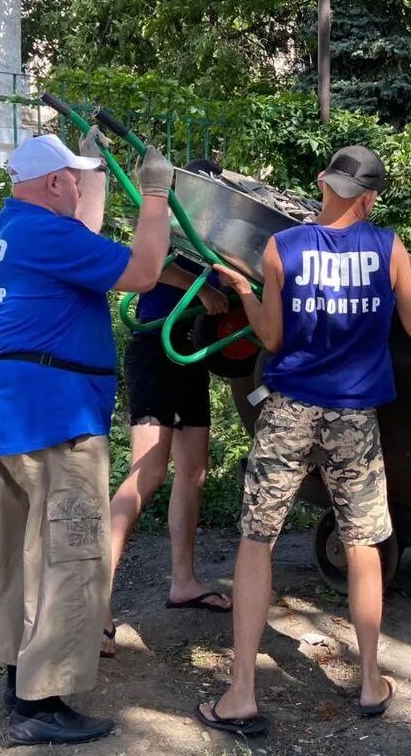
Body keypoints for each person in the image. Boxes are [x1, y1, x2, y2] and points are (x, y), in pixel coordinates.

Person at [197, 145, 411, 737]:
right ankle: (372, 682)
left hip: (290, 410)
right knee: (361, 545)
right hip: (355, 414)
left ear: (325, 186)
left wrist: (245, 293)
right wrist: (400, 283)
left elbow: (272, 338)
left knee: (257, 540)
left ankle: (242, 692)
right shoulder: (389, 248)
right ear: (371, 198)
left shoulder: (283, 248)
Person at [0, 130, 173, 746]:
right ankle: (42, 703)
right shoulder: (45, 233)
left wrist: (99, 179)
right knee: (68, 559)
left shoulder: (13, 229)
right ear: (54, 183)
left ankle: (20, 680)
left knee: (21, 558)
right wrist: (155, 197)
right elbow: (142, 271)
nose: (77, 188)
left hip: (9, 415)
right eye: (74, 178)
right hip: (56, 422)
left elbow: (83, 236)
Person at [101, 159, 234, 659]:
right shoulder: (163, 218)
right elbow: (150, 265)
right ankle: (96, 602)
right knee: (149, 468)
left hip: (190, 348)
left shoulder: (212, 231)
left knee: (194, 468)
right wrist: (204, 288)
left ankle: (183, 580)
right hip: (156, 348)